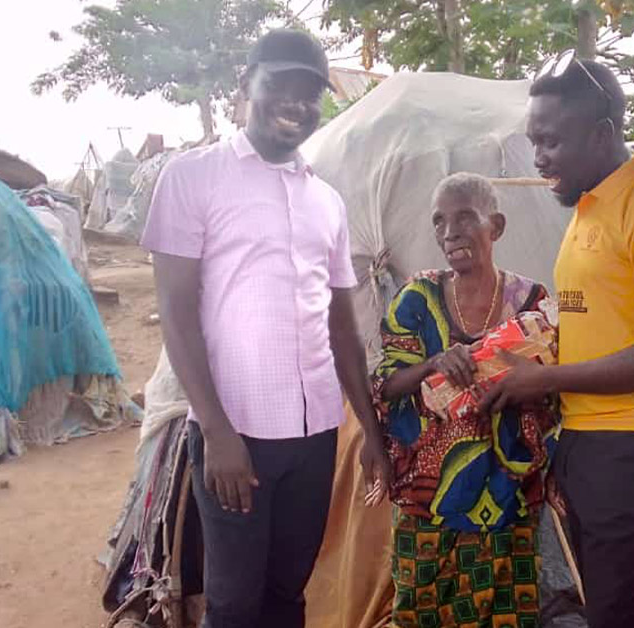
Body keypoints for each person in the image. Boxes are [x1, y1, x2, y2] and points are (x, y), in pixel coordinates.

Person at [140, 28, 391, 628]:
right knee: (233, 604)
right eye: (282, 84)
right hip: (236, 436)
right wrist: (217, 431)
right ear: (245, 86)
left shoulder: (326, 201)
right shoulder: (192, 177)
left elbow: (342, 327)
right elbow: (176, 312)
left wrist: (373, 435)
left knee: (288, 594)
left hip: (314, 434)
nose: (298, 104)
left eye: (311, 93)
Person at [481, 59, 634, 628]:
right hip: (590, 441)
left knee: (615, 615)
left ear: (602, 134)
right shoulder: (587, 207)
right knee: (618, 612)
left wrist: (546, 378)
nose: (539, 158)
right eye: (534, 142)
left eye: (551, 141)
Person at [373, 172, 559, 628]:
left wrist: (523, 382)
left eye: (464, 218)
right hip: (427, 499)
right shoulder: (417, 297)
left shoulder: (532, 302)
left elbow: (555, 388)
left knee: (504, 616)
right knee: (420, 613)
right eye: (439, 222)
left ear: (495, 226)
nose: (449, 232)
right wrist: (434, 363)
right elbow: (385, 384)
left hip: (506, 496)